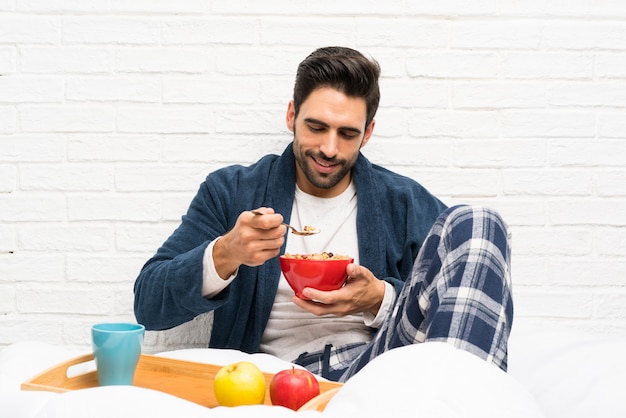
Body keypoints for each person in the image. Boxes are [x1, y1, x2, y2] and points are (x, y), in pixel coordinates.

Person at [133, 46, 513, 382]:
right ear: (291, 116)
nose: (329, 149)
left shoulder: (400, 200)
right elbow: (149, 306)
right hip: (277, 379)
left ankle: (462, 398)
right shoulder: (233, 191)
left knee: (480, 221)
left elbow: (456, 297)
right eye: (316, 127)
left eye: (347, 134)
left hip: (374, 368)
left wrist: (378, 298)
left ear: (367, 134)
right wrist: (226, 253)